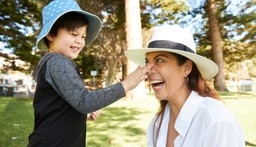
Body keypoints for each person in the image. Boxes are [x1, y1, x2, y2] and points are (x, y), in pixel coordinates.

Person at [27, 0, 152, 146]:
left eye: (83, 36)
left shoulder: (55, 62)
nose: (79, 41)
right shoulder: (57, 62)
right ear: (51, 34)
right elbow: (84, 101)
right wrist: (126, 84)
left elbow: (67, 102)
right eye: (74, 34)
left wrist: (79, 112)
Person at [125, 25, 245, 147]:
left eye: (160, 60)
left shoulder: (216, 119)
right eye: (147, 62)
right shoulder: (156, 123)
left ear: (186, 68)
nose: (149, 70)